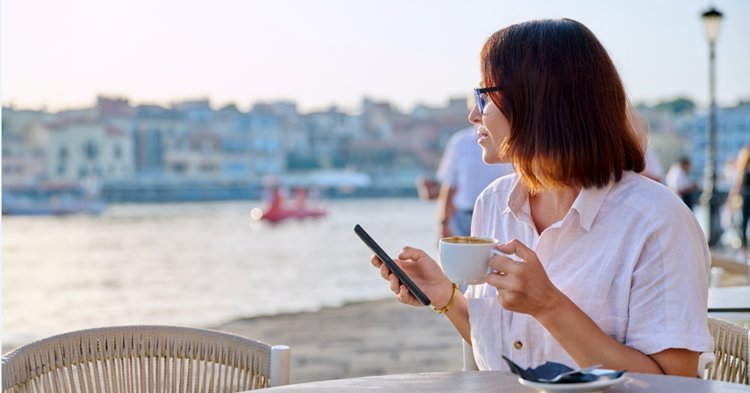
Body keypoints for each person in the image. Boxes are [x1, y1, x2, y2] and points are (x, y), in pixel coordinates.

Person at [370, 18, 711, 377]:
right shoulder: (494, 203)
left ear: (539, 102)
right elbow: (512, 353)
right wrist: (445, 296)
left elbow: (676, 383)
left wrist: (549, 306)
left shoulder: (657, 221)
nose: (473, 114)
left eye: (484, 96)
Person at [436, 126, 514, 238]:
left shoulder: (508, 140)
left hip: (499, 218)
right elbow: (449, 185)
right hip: (463, 219)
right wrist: (443, 224)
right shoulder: (459, 142)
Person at [728, 146, 750, 249]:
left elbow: (738, 186)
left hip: (745, 197)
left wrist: (733, 197)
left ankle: (744, 242)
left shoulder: (743, 169)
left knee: (744, 221)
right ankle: (744, 242)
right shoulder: (743, 169)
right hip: (746, 197)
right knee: (744, 220)